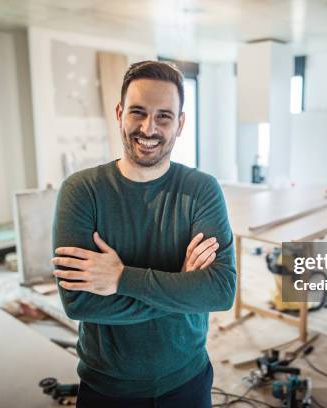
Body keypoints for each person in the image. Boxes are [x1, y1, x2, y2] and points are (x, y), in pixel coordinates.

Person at [51, 60, 236, 408]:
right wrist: (181, 286)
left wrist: (122, 279)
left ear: (180, 124)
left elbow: (220, 291)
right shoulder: (82, 191)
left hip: (188, 379)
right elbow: (79, 302)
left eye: (164, 116)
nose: (149, 128)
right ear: (119, 113)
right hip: (107, 388)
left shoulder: (201, 190)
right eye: (138, 112)